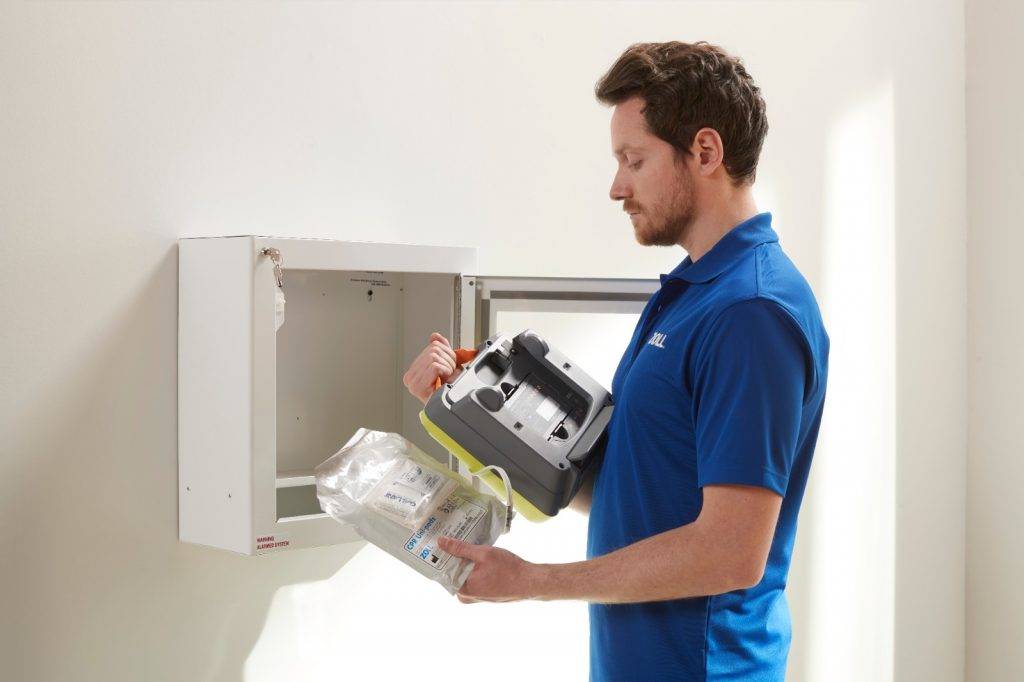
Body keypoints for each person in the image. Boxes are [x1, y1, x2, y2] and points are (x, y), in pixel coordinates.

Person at [403, 41, 829, 681]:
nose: (617, 187)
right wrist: (460, 412)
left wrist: (533, 582)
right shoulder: (688, 293)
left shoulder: (751, 313)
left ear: (705, 152)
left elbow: (731, 552)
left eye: (635, 160)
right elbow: (627, 490)